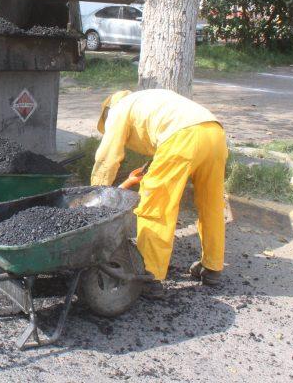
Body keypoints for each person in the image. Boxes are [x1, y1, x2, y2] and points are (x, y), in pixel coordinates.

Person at [91, 89, 228, 294]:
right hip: (215, 134)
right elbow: (164, 132)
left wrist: (96, 195)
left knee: (156, 206)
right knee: (212, 205)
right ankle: (212, 267)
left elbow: (107, 159)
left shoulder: (118, 110)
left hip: (182, 138)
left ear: (107, 111)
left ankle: (149, 275)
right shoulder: (146, 100)